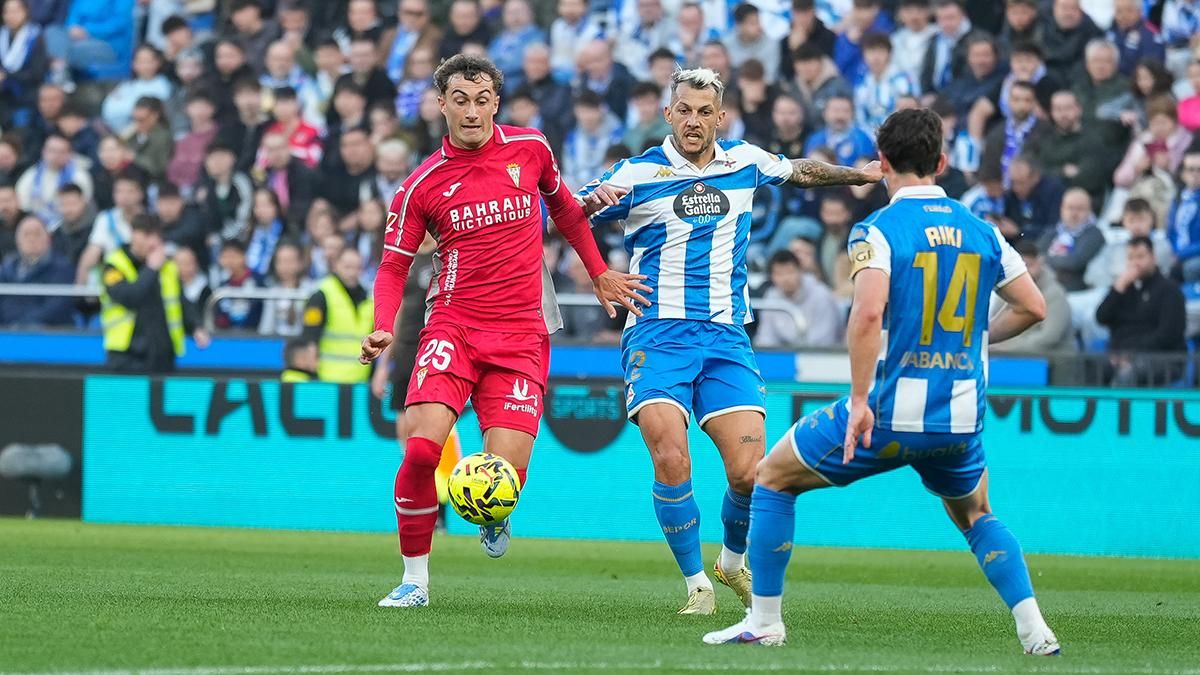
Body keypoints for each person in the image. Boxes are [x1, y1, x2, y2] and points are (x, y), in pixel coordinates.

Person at [702, 108, 1059, 656]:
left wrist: (862, 400)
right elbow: (1033, 307)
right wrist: (970, 339)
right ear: (941, 162)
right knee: (976, 514)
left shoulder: (877, 229)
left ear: (884, 162)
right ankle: (1036, 631)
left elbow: (868, 315)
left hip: (889, 412)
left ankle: (765, 622)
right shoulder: (981, 230)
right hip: (959, 417)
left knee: (772, 477)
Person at [578, 66, 881, 615]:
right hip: (657, 332)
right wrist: (596, 251)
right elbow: (568, 212)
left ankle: (731, 561)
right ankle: (697, 584)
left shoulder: (746, 160)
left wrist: (855, 175)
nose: (693, 121)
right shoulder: (636, 173)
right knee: (672, 457)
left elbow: (802, 171)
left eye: (704, 112)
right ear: (668, 114)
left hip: (725, 337)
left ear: (721, 117)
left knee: (750, 473)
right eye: (684, 110)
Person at [359, 54, 649, 608]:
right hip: (452, 326)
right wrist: (383, 328)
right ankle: (414, 582)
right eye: (460, 100)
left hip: (522, 334)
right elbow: (393, 266)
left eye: (482, 99)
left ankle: (494, 514)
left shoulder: (531, 149)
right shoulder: (419, 185)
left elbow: (565, 210)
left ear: (497, 101)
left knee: (503, 482)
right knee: (421, 452)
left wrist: (599, 272)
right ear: (441, 104)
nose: (472, 112)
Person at [100, 214, 209, 373]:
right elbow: (129, 297)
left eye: (156, 236)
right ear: (134, 234)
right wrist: (150, 269)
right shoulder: (114, 264)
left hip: (162, 354)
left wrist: (196, 327)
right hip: (127, 355)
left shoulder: (168, 266)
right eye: (146, 235)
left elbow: (180, 301)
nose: (152, 242)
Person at [1096, 236, 1188, 385]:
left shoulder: (1169, 290)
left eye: (1140, 257)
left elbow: (1168, 335)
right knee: (1096, 368)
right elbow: (1101, 317)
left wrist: (1130, 353)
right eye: (1130, 258)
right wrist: (1117, 289)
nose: (1135, 263)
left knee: (1128, 374)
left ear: (1153, 258)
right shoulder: (1122, 289)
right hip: (1122, 355)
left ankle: (1118, 409)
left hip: (1163, 359)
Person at [990, 240, 1075, 353]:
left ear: (1040, 262)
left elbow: (1049, 338)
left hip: (1054, 361)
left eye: (1029, 265)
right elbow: (994, 325)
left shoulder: (1054, 293)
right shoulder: (1007, 290)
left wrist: (1006, 348)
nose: (1025, 271)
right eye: (1019, 266)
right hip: (1013, 358)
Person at [753, 249, 843, 348]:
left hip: (820, 357)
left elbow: (825, 340)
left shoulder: (821, 295)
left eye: (789, 272)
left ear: (800, 271)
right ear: (772, 277)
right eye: (779, 274)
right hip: (783, 357)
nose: (785, 279)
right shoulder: (771, 297)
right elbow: (765, 337)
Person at [0, 214, 73, 326]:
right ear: (17, 240)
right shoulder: (7, 268)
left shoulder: (61, 267)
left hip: (46, 334)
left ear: (48, 238)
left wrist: (24, 324)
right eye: (26, 234)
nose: (31, 239)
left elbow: (57, 306)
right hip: (7, 331)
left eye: (37, 234)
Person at [1168, 149, 1200, 282]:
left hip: (1194, 255)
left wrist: (1182, 254)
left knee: (1190, 268)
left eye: (1199, 169)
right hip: (1179, 253)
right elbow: (1170, 232)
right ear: (1183, 173)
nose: (1195, 174)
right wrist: (1176, 251)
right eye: (1191, 169)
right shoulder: (1178, 199)